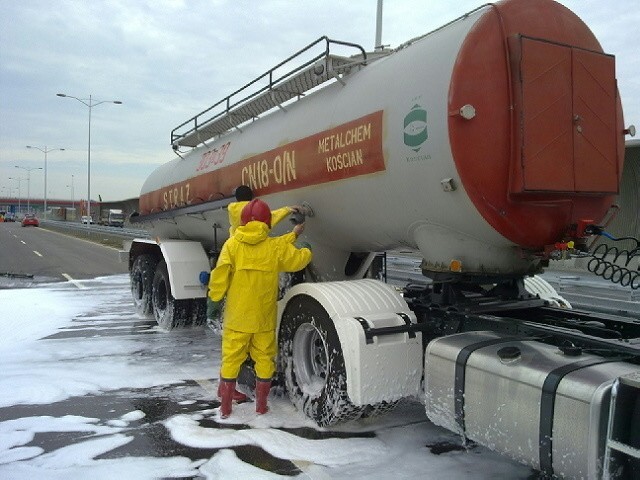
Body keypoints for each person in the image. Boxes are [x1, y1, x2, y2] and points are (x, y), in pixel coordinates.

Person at [208, 198, 312, 418]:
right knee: (264, 360)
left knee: (231, 360)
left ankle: (225, 408)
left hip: (237, 320)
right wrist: (305, 248)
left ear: (244, 221)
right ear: (267, 222)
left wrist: (214, 302)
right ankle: (261, 406)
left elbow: (219, 277)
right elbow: (295, 260)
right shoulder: (273, 248)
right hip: (263, 320)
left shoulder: (232, 245)